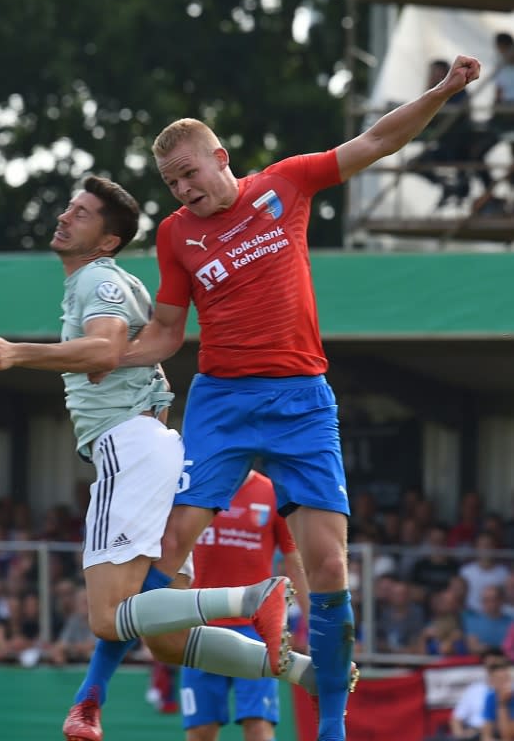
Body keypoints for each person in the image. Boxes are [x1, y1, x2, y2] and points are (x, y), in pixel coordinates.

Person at [111, 54, 480, 741]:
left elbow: (374, 142)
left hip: (301, 397)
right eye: (170, 182)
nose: (182, 189)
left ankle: (330, 726)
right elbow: (166, 331)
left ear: (220, 158)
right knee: (167, 546)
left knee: (330, 564)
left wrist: (443, 90)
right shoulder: (174, 235)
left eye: (189, 172)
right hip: (220, 399)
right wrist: (110, 361)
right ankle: (99, 688)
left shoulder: (283, 185)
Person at [0, 175, 319, 741]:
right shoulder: (106, 280)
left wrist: (16, 352)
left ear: (107, 241)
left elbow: (106, 347)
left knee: (108, 617)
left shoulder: (97, 280)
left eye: (81, 214)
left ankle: (252, 597)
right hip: (156, 450)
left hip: (129, 448)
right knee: (167, 637)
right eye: (69, 207)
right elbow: (141, 342)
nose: (65, 217)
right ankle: (299, 668)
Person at [180, 469, 309, 741]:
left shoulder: (273, 492)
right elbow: (169, 550)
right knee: (201, 731)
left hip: (257, 630)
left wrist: (316, 624)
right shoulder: (195, 481)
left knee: (258, 725)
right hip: (198, 626)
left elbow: (294, 562)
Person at [408, 59, 473, 207]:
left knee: (467, 171)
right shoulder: (432, 93)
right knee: (414, 164)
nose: (432, 75)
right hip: (444, 145)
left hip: (459, 146)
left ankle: (457, 189)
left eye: (435, 72)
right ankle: (447, 186)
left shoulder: (458, 90)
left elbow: (456, 116)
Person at [481, 655, 514, 741]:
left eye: (506, 679)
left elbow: (507, 736)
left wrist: (502, 704)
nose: (504, 683)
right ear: (491, 682)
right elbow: (486, 735)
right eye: (500, 680)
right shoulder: (490, 697)